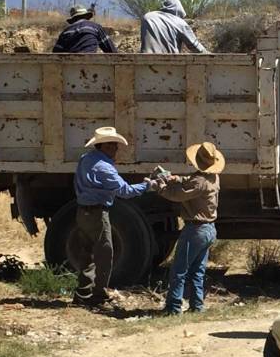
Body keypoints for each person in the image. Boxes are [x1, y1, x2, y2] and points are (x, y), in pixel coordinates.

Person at [72, 126, 163, 307]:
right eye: (113, 145)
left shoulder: (86, 159)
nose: (116, 148)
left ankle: (83, 293)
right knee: (105, 254)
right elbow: (125, 191)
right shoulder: (105, 168)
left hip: (82, 211)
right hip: (98, 213)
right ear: (104, 146)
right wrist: (148, 185)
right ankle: (99, 294)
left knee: (86, 253)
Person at [158, 142, 223, 314]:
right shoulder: (213, 178)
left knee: (179, 270)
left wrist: (160, 186)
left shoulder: (199, 181)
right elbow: (192, 181)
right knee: (197, 270)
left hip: (195, 229)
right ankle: (197, 305)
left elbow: (176, 195)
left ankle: (173, 307)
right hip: (209, 229)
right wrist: (177, 179)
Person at [139, 0, 208, 54]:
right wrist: (210, 55)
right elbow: (195, 46)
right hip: (170, 63)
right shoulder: (180, 23)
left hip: (144, 62)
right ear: (179, 10)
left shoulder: (147, 17)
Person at [52, 5, 117, 54]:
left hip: (71, 66)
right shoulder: (95, 27)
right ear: (86, 16)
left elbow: (56, 54)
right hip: (92, 66)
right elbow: (111, 50)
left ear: (73, 19)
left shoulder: (66, 32)